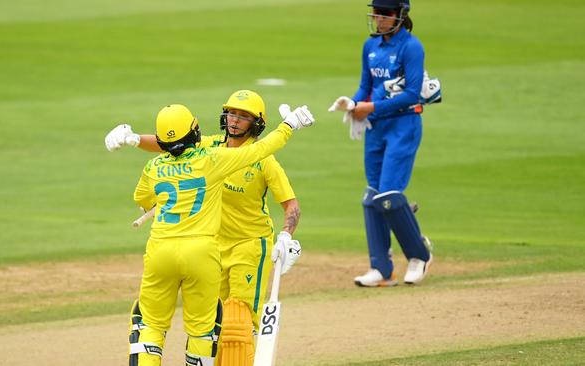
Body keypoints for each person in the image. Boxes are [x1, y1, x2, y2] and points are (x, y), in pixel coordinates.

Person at [106, 90, 303, 365]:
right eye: (232, 113)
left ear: (255, 123)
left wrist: (285, 235)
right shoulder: (211, 152)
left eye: (243, 116)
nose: (235, 121)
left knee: (233, 320)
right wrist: (135, 139)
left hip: (249, 244)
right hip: (211, 249)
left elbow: (290, 203)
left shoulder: (252, 160)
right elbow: (169, 142)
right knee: (210, 324)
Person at [328, 0, 433, 287]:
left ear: (400, 15)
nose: (378, 18)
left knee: (388, 194)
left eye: (384, 13)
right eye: (376, 12)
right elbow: (367, 86)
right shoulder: (370, 46)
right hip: (377, 128)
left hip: (403, 125)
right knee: (372, 196)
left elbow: (413, 93)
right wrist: (353, 103)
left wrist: (370, 109)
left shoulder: (411, 47)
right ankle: (381, 269)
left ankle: (419, 255)